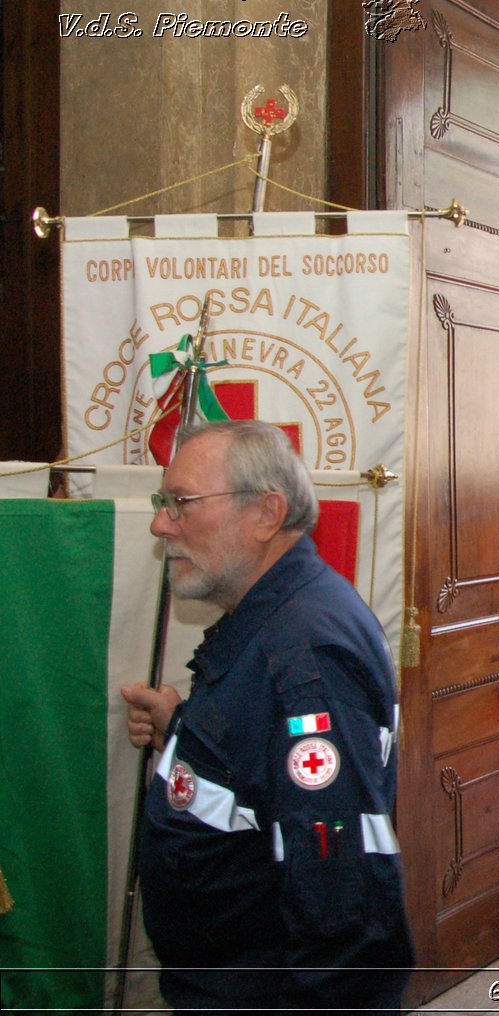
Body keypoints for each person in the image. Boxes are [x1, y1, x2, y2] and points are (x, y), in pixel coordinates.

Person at [120, 420, 413, 1012]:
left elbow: (343, 911)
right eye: (162, 501)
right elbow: (266, 772)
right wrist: (183, 731)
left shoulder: (303, 659)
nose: (160, 523)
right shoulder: (276, 621)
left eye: (181, 502)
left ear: (265, 513)